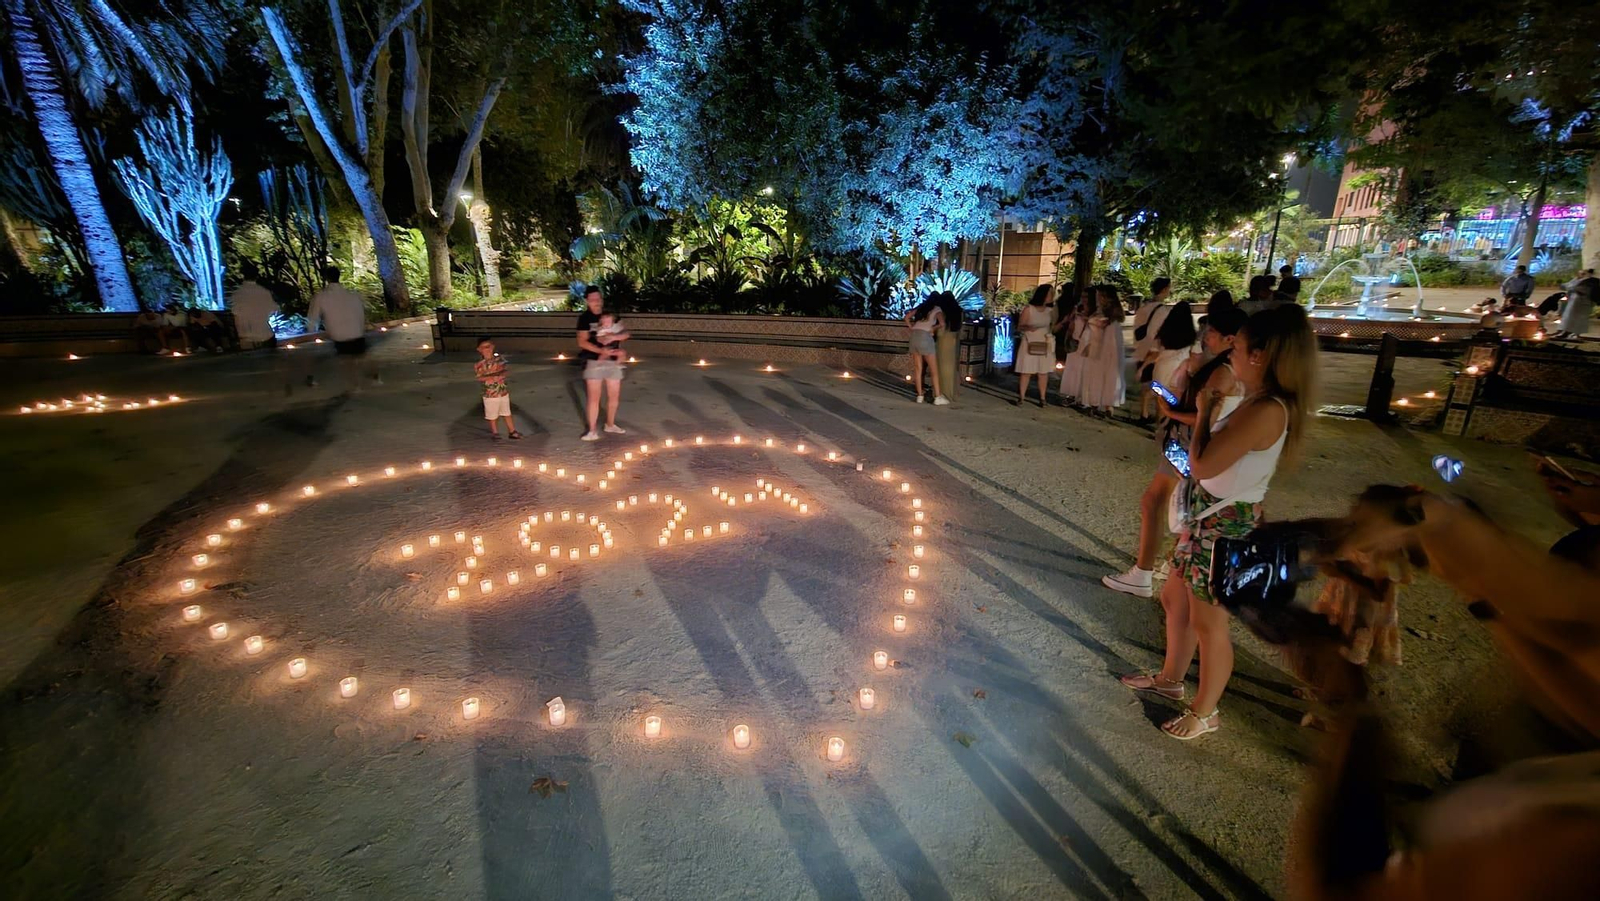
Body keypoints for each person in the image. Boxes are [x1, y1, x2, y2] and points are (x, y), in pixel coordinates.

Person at [1120, 303, 1318, 739]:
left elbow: (1204, 463)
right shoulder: (1258, 401)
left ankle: (1205, 711)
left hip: (1226, 526)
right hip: (1207, 519)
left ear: (1261, 355)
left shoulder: (1267, 409)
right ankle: (1171, 680)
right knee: (1175, 599)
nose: (1230, 353)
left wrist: (1208, 410)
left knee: (1210, 623)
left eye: (1239, 347)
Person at [1103, 307, 1245, 597]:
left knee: (1157, 503)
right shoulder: (1224, 366)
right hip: (1193, 445)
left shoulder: (1222, 371)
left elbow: (1208, 416)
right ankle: (1168, 566)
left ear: (1230, 339)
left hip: (1190, 445)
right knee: (1175, 506)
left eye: (1213, 332)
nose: (1207, 336)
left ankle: (1144, 573)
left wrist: (1171, 411)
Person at [576, 285, 629, 440]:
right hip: (593, 361)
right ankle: (592, 430)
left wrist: (615, 338)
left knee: (614, 396)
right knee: (594, 397)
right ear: (587, 301)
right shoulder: (584, 318)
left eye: (598, 298)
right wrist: (601, 351)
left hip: (613, 361)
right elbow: (582, 342)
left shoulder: (611, 315)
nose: (596, 302)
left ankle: (610, 424)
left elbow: (624, 333)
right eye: (592, 299)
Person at [1138, 300, 1195, 421]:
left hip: (1162, 367)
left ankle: (1156, 423)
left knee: (1160, 397)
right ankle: (1165, 424)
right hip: (1179, 371)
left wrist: (1142, 368)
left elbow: (1154, 353)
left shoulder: (1164, 332)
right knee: (1171, 400)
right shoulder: (1191, 335)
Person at [1075, 284, 1127, 416]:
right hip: (1104, 345)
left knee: (1097, 374)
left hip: (1101, 346)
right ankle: (1105, 404)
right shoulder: (1110, 314)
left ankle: (1097, 402)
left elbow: (1099, 326)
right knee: (1105, 373)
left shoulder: (1106, 315)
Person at [305, 265, 368, 353]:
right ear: (339, 276)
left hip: (341, 343)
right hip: (360, 340)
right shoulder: (354, 295)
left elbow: (312, 322)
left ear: (327, 278)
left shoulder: (321, 297)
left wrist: (311, 330)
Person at [1012, 284, 1055, 407]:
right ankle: (1022, 397)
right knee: (1026, 371)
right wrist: (1029, 327)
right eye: (1049, 294)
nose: (1051, 297)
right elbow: (1020, 326)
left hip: (1044, 342)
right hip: (1030, 341)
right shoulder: (1029, 309)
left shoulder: (1050, 311)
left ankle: (1042, 398)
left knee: (1043, 371)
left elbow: (1053, 325)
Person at [474, 337, 521, 439]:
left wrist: (500, 375)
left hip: (502, 391)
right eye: (485, 347)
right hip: (490, 393)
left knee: (506, 412)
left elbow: (505, 370)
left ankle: (512, 431)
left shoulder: (499, 360)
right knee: (492, 414)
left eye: (489, 346)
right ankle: (495, 432)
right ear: (479, 349)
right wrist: (493, 377)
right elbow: (480, 377)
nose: (488, 349)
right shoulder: (480, 364)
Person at [905, 295, 949, 404]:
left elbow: (906, 317)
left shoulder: (921, 308)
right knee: (934, 370)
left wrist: (911, 327)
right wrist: (933, 328)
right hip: (925, 338)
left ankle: (919, 395)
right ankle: (938, 397)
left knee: (918, 368)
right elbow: (942, 323)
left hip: (914, 336)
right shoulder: (937, 309)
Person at [1056, 287, 1096, 406]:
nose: (1084, 299)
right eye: (1082, 297)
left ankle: (1083, 397)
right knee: (1073, 369)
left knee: (1085, 370)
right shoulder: (1077, 308)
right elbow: (1071, 324)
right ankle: (1072, 395)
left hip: (1087, 341)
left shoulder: (1094, 312)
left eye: (1086, 297)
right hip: (1075, 340)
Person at [228, 261, 279, 348]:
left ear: (243, 275)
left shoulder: (237, 294)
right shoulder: (264, 292)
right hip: (265, 335)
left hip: (245, 337)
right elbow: (274, 310)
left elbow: (235, 315)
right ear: (257, 276)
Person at [1131, 277, 1174, 363]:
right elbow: (1154, 334)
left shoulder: (1143, 308)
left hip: (1140, 352)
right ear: (1164, 289)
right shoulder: (1162, 311)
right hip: (1153, 355)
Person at [933, 291, 963, 405]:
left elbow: (939, 327)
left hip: (943, 340)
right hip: (954, 340)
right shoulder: (958, 310)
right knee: (952, 368)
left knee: (941, 368)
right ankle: (952, 393)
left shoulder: (941, 311)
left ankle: (941, 392)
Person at [1553, 269, 1595, 339]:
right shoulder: (1576, 280)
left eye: (1583, 273)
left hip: (1583, 302)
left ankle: (1576, 334)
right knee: (1568, 317)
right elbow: (1567, 286)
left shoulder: (1589, 282)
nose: (1581, 275)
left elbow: (1577, 288)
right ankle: (1565, 332)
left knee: (1580, 318)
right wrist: (1560, 283)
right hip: (1573, 301)